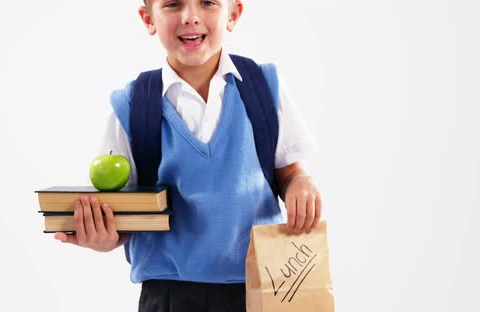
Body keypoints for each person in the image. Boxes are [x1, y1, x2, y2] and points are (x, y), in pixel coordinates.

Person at [54, 0, 322, 310]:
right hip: (169, 293)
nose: (190, 17)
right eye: (173, 4)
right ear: (148, 18)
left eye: (207, 2)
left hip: (263, 287)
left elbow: (289, 174)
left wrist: (301, 183)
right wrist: (104, 239)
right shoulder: (132, 105)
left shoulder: (263, 87)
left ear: (233, 14)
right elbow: (124, 216)